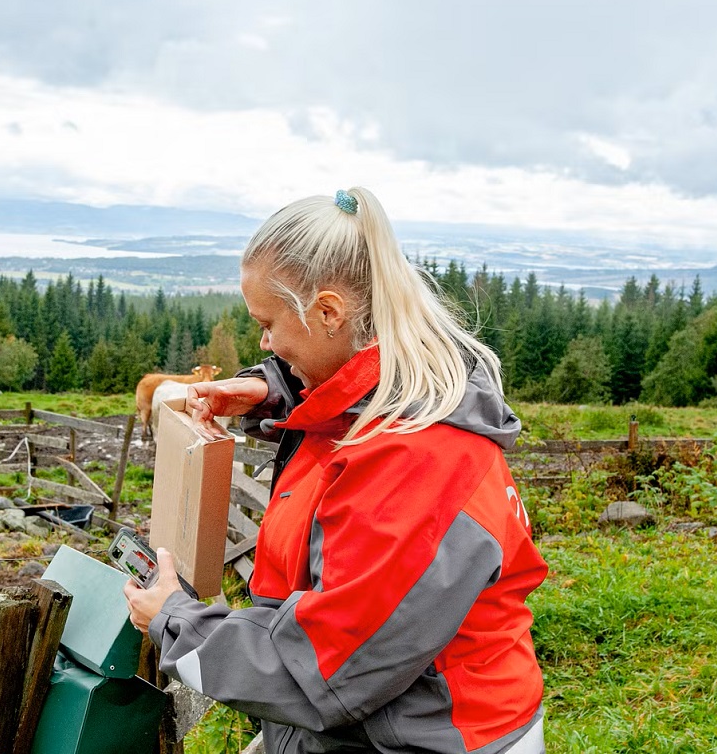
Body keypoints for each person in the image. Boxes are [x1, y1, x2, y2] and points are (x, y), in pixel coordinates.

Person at [124, 187, 547, 753]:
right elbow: (344, 399)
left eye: (269, 323)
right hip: (371, 725)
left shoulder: (414, 463)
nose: (264, 341)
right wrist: (270, 390)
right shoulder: (389, 400)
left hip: (426, 740)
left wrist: (174, 619)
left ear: (328, 311)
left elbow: (322, 671)